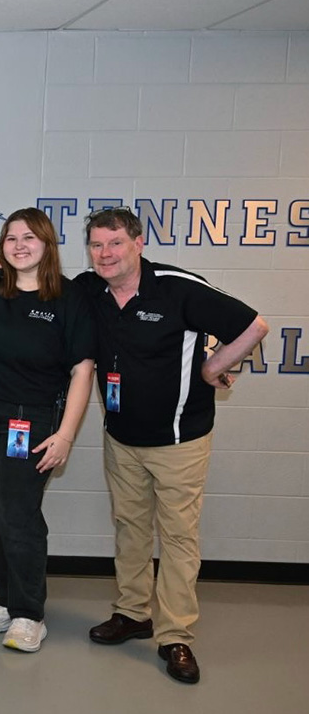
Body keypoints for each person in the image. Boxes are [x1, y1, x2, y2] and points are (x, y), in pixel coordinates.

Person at [79, 207, 268, 684]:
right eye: (97, 245)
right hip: (121, 438)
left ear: (138, 243)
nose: (105, 254)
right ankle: (133, 612)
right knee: (130, 528)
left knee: (179, 538)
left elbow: (255, 325)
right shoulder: (89, 289)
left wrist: (212, 367)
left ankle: (175, 635)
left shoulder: (178, 287)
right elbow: (36, 289)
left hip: (179, 440)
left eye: (115, 243)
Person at [0, 207, 95, 653]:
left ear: (47, 245)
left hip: (31, 420)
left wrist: (66, 435)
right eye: (11, 238)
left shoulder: (68, 298)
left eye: (30, 238)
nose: (20, 245)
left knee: (19, 516)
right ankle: (7, 601)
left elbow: (82, 369)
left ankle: (30, 614)